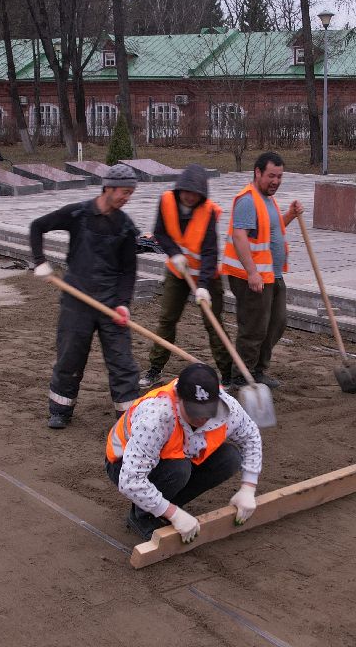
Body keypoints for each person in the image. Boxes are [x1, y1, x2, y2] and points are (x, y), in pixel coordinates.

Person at [30, 163, 142, 430]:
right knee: (70, 356)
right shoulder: (78, 214)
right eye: (124, 192)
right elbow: (37, 226)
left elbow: (128, 271)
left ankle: (128, 418)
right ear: (109, 188)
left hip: (111, 304)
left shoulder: (126, 227)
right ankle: (60, 410)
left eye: (130, 193)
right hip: (76, 301)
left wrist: (123, 304)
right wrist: (39, 261)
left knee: (122, 363)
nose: (127, 198)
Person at [106, 362, 263, 542]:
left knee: (230, 458)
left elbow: (251, 437)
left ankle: (165, 504)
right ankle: (143, 515)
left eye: (207, 411)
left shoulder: (228, 408)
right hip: (123, 463)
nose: (201, 418)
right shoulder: (156, 416)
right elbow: (130, 480)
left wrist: (248, 487)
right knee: (179, 470)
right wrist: (174, 514)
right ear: (178, 398)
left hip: (179, 455)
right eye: (194, 411)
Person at [139, 164, 235, 389]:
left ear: (202, 195)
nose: (190, 197)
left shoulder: (208, 212)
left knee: (213, 323)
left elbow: (210, 252)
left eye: (195, 194)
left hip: (205, 275)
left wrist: (203, 286)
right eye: (186, 192)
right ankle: (155, 368)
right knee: (167, 319)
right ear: (179, 189)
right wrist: (174, 254)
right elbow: (160, 232)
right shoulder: (166, 201)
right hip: (177, 272)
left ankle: (227, 373)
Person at [222, 151, 303, 387]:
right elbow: (239, 236)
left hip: (272, 275)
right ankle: (241, 375)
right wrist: (252, 273)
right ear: (258, 172)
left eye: (279, 176)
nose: (276, 181)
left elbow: (271, 229)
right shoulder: (248, 200)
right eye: (271, 176)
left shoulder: (267, 199)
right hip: (254, 277)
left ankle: (258, 369)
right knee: (254, 327)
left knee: (277, 322)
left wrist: (290, 214)